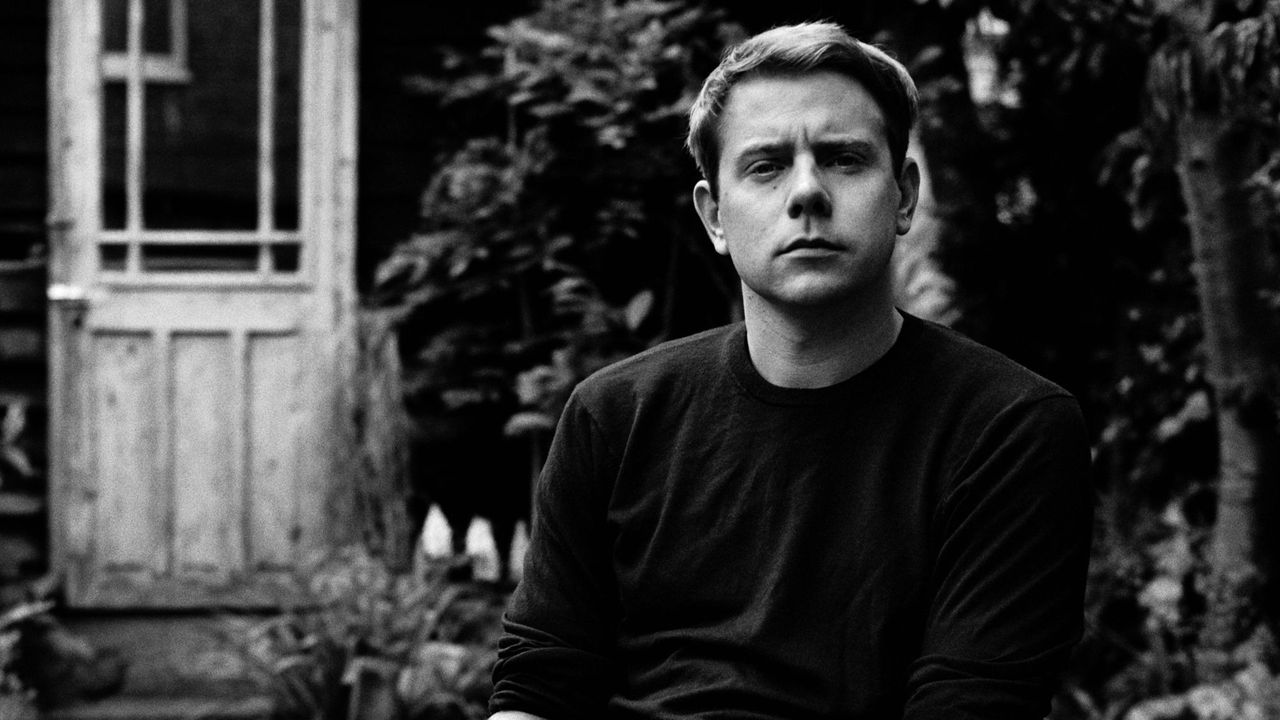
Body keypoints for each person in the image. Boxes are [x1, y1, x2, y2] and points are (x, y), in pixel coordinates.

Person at [488, 21, 1092, 720]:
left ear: (903, 196)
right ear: (715, 217)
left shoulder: (1007, 430)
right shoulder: (615, 417)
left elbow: (972, 705)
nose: (807, 192)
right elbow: (539, 686)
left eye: (843, 159)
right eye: (766, 165)